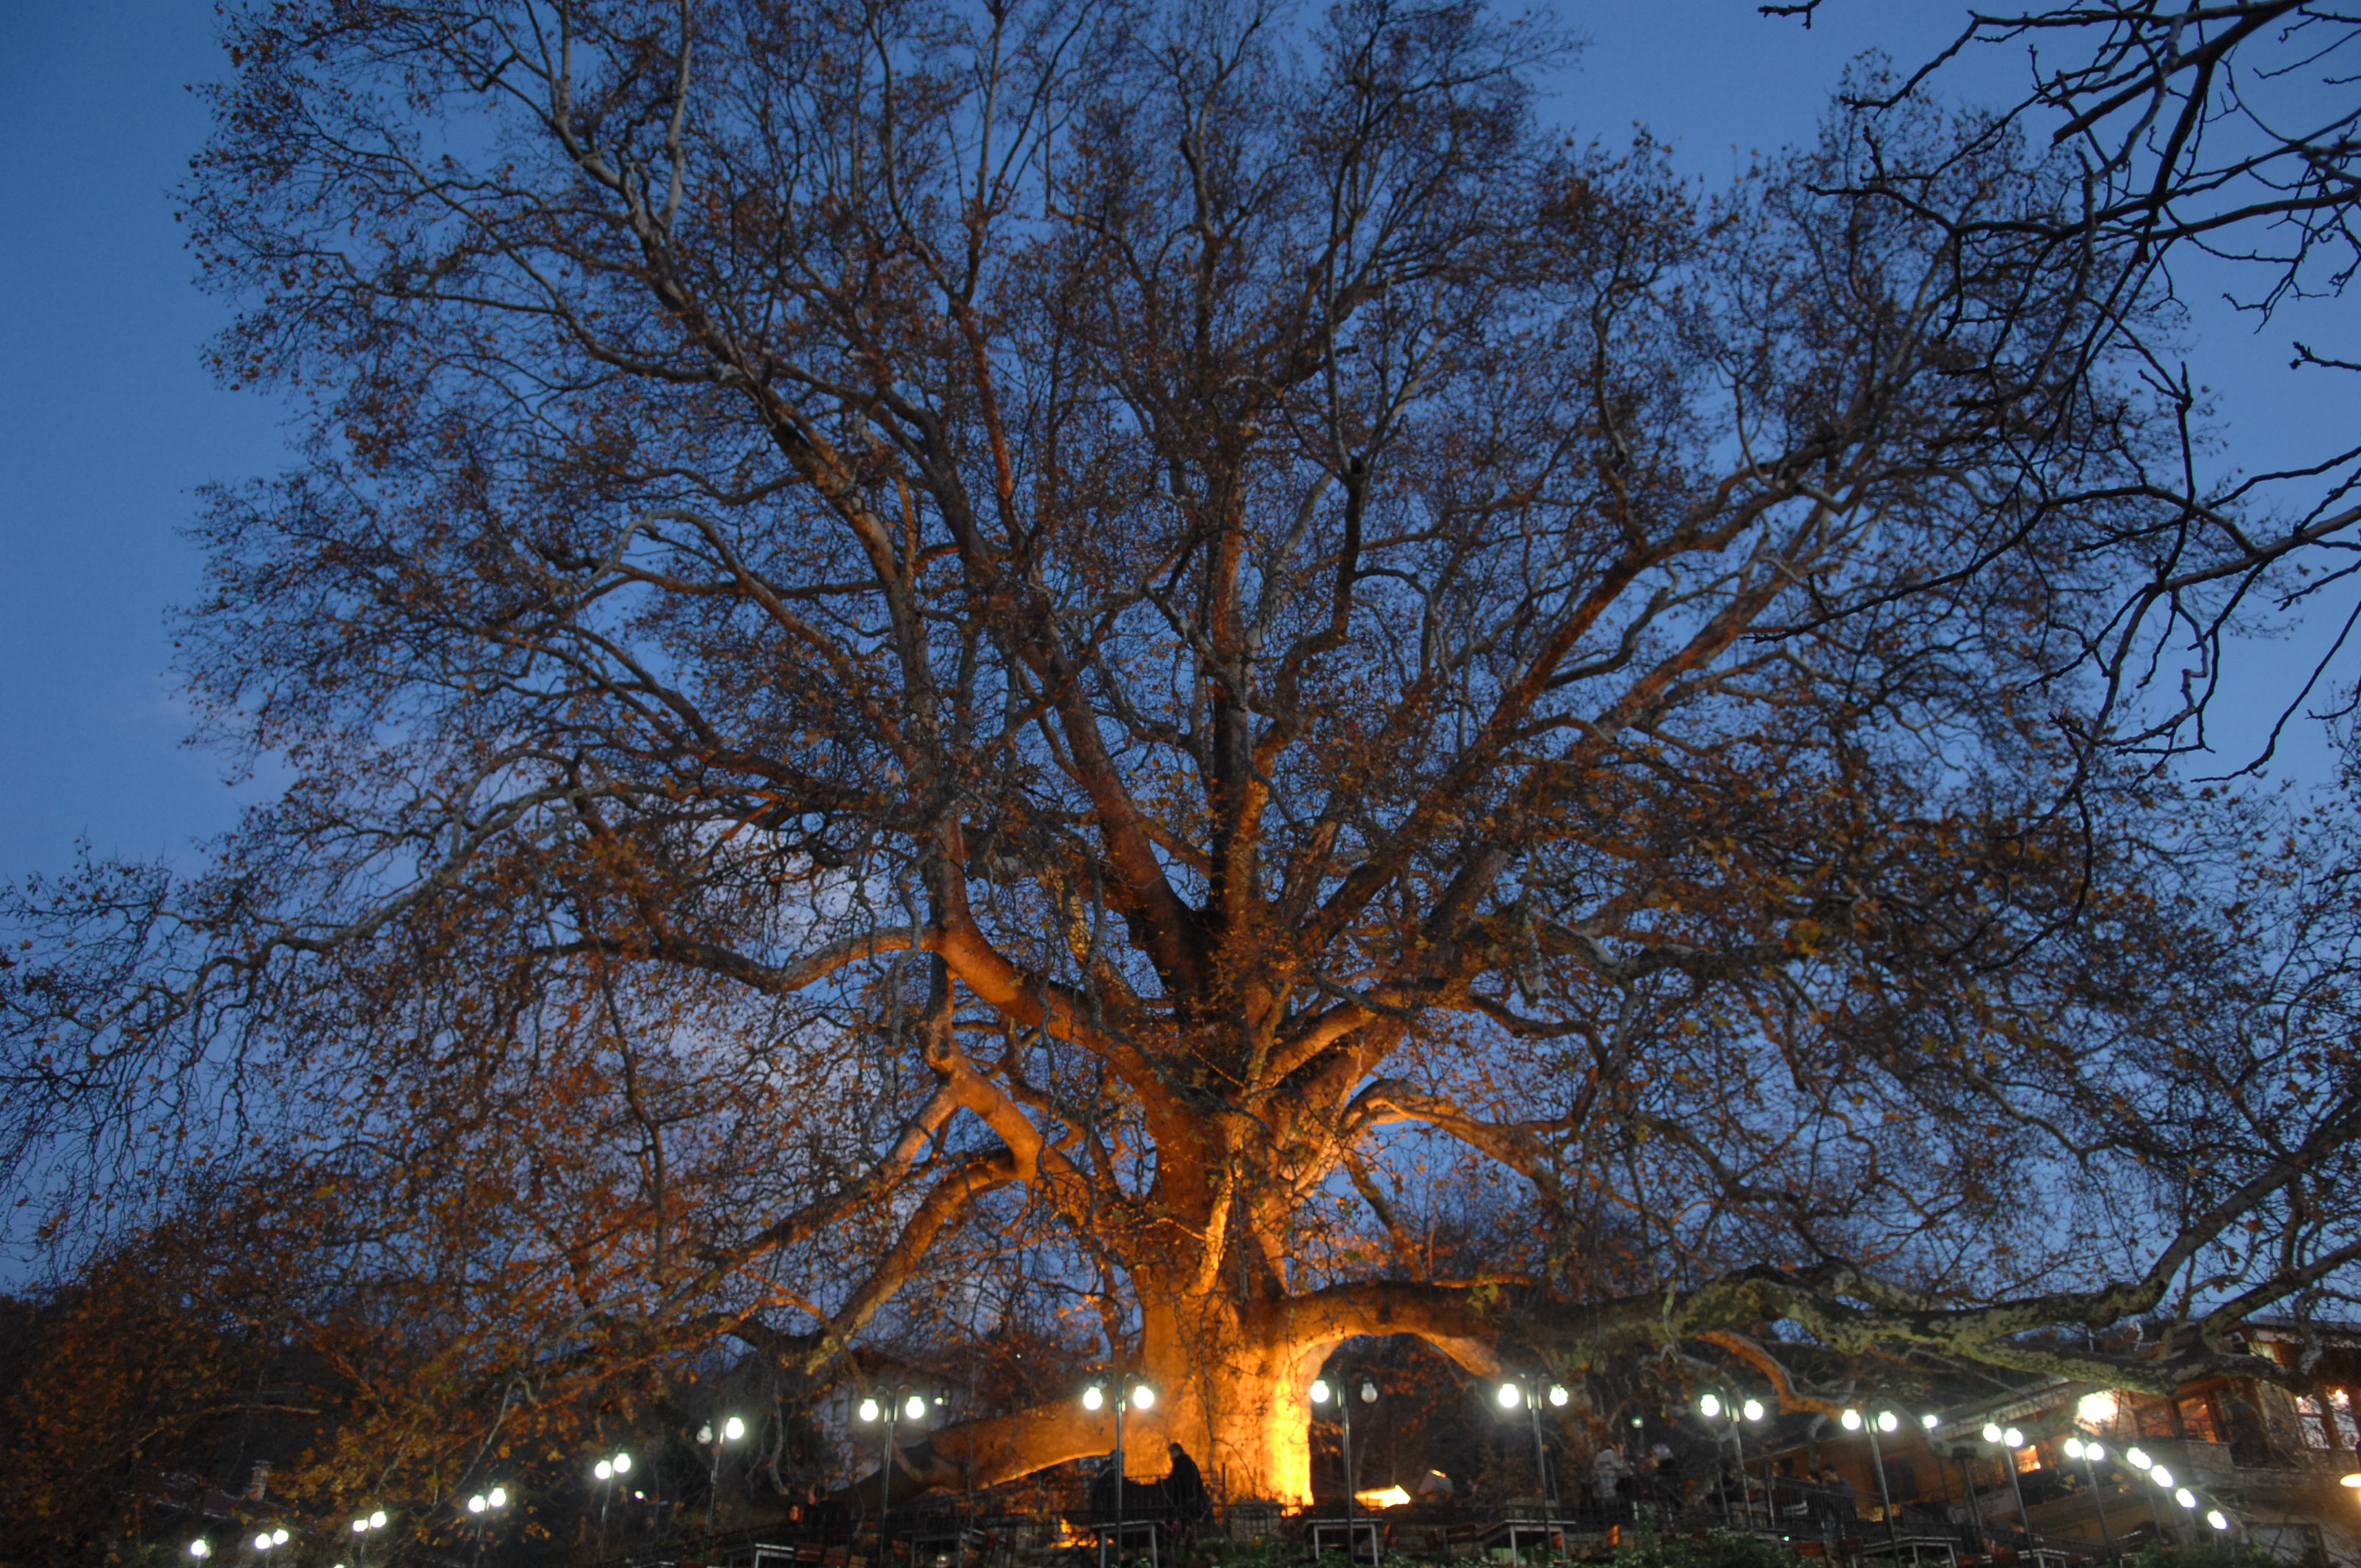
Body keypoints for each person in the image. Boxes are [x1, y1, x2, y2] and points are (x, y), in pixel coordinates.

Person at [1164, 1441, 1211, 1551]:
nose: (1171, 1457)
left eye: (1172, 1453)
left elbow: (1175, 1478)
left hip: (1186, 1498)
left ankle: (1183, 1541)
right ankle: (1187, 1541)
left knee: (1183, 1519)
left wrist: (1164, 1483)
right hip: (1192, 1497)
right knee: (1187, 1521)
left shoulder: (1181, 1462)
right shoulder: (1188, 1461)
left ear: (1177, 1452)